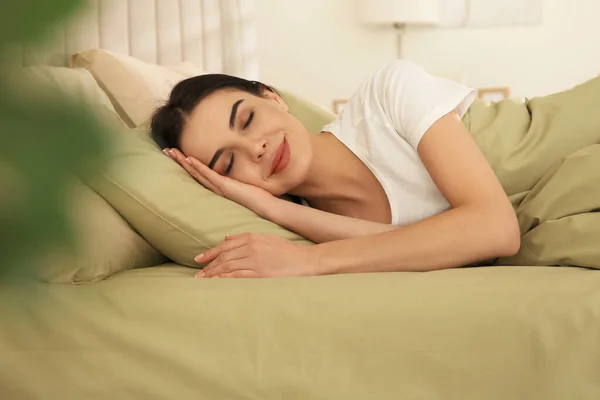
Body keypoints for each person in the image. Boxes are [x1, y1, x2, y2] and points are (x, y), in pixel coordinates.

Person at [150, 59, 520, 278]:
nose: (255, 149)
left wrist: (309, 261)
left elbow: (495, 228)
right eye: (229, 163)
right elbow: (426, 245)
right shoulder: (308, 222)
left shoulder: (387, 93)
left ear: (273, 98)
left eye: (247, 119)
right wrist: (272, 208)